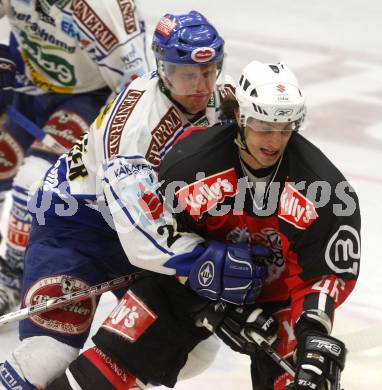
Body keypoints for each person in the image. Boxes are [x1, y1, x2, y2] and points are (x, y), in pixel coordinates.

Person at [46, 61, 360, 389]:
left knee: (308, 377)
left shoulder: (321, 188)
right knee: (107, 369)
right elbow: (162, 243)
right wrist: (211, 304)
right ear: (240, 117)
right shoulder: (191, 165)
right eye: (264, 127)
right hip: (198, 280)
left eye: (284, 128)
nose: (275, 141)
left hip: (280, 297)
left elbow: (326, 273)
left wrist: (314, 332)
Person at [0, 10, 270, 389]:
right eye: (187, 75)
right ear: (162, 68)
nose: (201, 86)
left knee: (191, 351)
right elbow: (141, 234)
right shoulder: (134, 128)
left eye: (209, 72)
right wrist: (202, 258)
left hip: (137, 229)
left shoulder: (221, 98)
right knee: (47, 356)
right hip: (76, 225)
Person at [0, 0, 150, 315]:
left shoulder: (104, 9)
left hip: (89, 97)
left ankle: (12, 276)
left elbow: (141, 87)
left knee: (34, 180)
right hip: (28, 82)